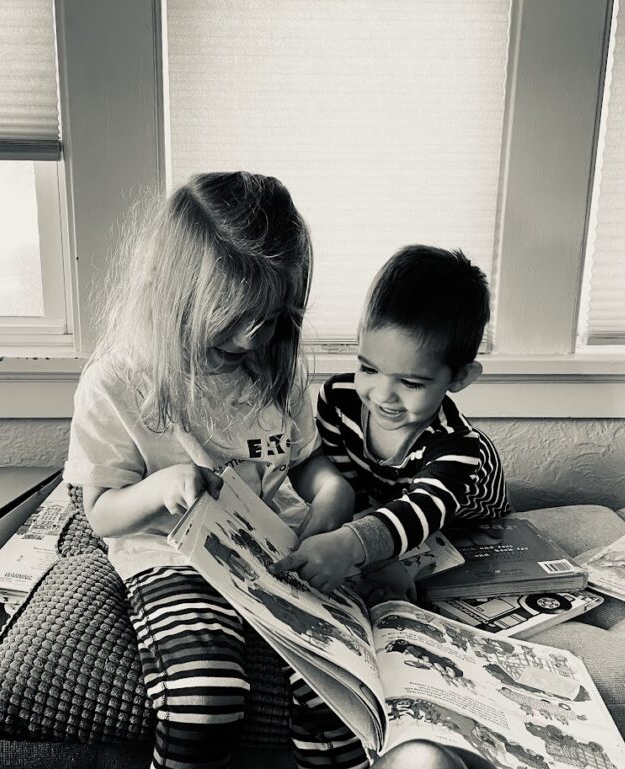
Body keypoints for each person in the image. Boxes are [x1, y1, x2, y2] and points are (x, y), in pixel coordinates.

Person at [64, 171, 367, 769]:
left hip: (275, 556)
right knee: (203, 700)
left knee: (338, 694)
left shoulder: (271, 372)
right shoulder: (118, 381)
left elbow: (306, 462)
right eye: (234, 316)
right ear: (176, 295)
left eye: (273, 317)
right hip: (173, 559)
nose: (254, 337)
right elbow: (100, 514)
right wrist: (157, 488)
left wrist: (333, 493)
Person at [274, 245, 513, 600]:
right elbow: (350, 488)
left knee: (407, 585)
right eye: (369, 368)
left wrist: (358, 548)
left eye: (411, 382)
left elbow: (423, 511)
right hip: (391, 507)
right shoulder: (339, 399)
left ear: (460, 378)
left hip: (463, 522)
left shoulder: (459, 446)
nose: (382, 394)